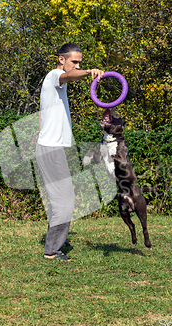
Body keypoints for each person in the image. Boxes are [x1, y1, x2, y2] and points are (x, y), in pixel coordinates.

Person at [35, 43, 104, 261]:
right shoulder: (55, 75)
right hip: (50, 149)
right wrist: (88, 72)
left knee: (61, 199)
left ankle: (54, 244)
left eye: (80, 63)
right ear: (61, 60)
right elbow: (68, 76)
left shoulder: (55, 85)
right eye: (74, 62)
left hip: (51, 147)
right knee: (65, 200)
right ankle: (52, 250)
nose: (76, 66)